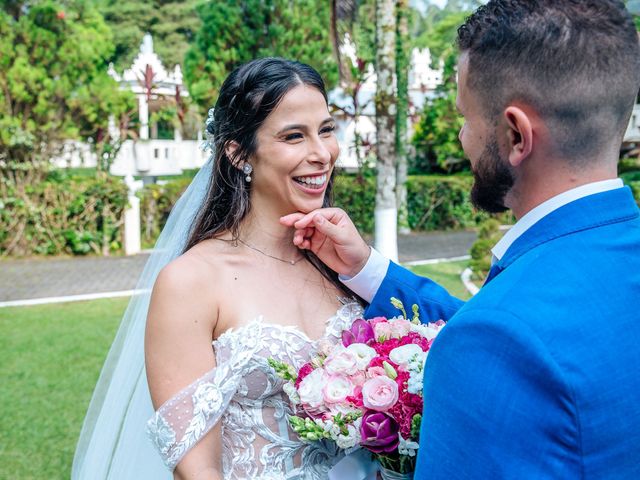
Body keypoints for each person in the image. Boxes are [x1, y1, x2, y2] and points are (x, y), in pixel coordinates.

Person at [282, 1, 640, 478]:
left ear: (516, 135)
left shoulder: (499, 342)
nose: (461, 137)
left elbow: (503, 341)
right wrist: (368, 268)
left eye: (465, 118)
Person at [72, 57, 367, 480]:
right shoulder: (191, 282)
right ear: (239, 154)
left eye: (325, 130)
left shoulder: (344, 264)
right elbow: (196, 470)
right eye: (293, 136)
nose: (321, 154)